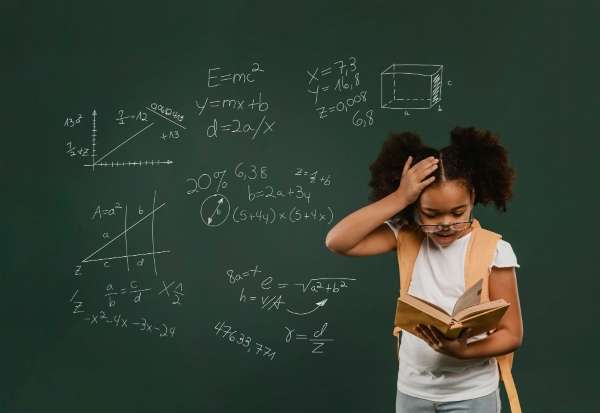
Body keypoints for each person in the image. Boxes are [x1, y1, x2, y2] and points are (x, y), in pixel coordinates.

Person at [325, 127, 524, 412]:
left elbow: (512, 334)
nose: (446, 223)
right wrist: (399, 198)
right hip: (412, 391)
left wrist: (463, 350)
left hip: (472, 394)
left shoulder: (495, 250)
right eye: (431, 214)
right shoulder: (406, 234)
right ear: (416, 207)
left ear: (473, 198)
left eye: (458, 213)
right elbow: (338, 241)